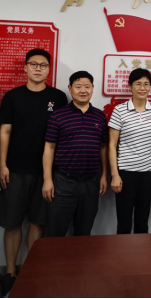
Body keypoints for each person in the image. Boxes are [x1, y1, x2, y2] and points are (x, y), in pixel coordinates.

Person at [0, 49, 68, 292]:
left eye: (43, 65)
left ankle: (30, 270)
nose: (38, 68)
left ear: (48, 69)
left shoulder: (58, 97)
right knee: (12, 223)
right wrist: (2, 165)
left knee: (39, 222)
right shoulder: (13, 97)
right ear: (25, 67)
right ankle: (10, 271)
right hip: (15, 169)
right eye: (33, 64)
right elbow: (5, 132)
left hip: (47, 173)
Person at [42, 71, 109, 237]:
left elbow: (103, 147)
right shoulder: (58, 115)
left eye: (87, 86)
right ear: (70, 88)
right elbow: (49, 148)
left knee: (84, 232)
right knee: (55, 232)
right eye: (78, 86)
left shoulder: (100, 116)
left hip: (91, 182)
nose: (83, 90)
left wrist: (104, 176)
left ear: (93, 88)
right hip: (63, 182)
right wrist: (48, 180)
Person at [108, 68, 151, 234]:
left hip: (148, 173)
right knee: (124, 222)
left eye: (146, 84)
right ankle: (122, 251)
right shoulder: (119, 110)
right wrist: (115, 175)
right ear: (130, 86)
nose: (142, 88)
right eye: (138, 84)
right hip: (125, 172)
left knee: (142, 221)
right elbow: (112, 144)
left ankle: (142, 251)